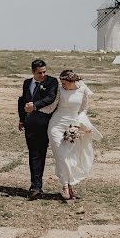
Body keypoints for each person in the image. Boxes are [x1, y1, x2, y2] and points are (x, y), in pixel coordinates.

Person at [47, 69, 101, 201]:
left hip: (72, 126)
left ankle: (70, 186)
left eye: (65, 83)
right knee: (61, 156)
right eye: (62, 83)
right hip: (56, 125)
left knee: (70, 156)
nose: (63, 85)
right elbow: (52, 106)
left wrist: (77, 125)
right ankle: (65, 186)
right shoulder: (60, 90)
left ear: (73, 82)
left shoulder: (83, 90)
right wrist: (35, 109)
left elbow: (84, 109)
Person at [17, 58, 59, 200]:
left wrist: (35, 106)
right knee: (33, 154)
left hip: (46, 124)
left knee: (41, 154)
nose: (42, 75)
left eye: (44, 72)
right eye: (39, 73)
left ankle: (38, 186)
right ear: (33, 72)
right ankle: (35, 186)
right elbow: (22, 100)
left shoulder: (51, 82)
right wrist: (22, 119)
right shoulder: (27, 83)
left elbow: (50, 98)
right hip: (30, 124)